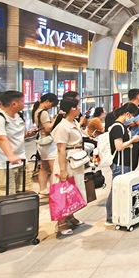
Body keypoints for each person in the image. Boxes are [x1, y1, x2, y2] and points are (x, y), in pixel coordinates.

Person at [0, 91, 34, 197]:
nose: (25, 104)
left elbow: (18, 135)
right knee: (6, 195)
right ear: (14, 104)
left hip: (21, 160)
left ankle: (21, 213)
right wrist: (10, 156)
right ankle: (4, 214)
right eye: (22, 101)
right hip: (2, 163)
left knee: (24, 193)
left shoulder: (18, 116)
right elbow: (1, 138)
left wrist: (28, 134)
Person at [51, 98, 87, 236]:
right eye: (78, 106)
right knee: (63, 192)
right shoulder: (63, 126)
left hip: (76, 160)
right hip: (67, 162)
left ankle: (70, 216)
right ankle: (61, 223)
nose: (79, 108)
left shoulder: (74, 122)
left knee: (74, 189)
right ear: (72, 109)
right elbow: (61, 150)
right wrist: (62, 170)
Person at [105, 103, 139, 226]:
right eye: (133, 116)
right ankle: (110, 216)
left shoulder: (121, 126)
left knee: (119, 189)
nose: (133, 119)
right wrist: (132, 140)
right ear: (127, 114)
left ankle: (116, 214)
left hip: (124, 162)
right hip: (120, 163)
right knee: (116, 190)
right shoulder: (117, 127)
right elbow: (119, 146)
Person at [31, 93, 58, 197]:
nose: (51, 107)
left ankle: (43, 190)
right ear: (47, 101)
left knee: (43, 167)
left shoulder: (36, 111)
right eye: (51, 105)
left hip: (41, 142)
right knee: (53, 168)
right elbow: (47, 128)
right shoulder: (43, 113)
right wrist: (55, 119)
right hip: (48, 143)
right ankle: (53, 192)